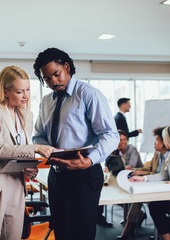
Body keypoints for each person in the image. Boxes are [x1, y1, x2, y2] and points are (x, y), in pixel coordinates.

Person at [32, 48, 119, 240]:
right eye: (46, 79)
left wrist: (89, 161)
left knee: (81, 235)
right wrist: (45, 148)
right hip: (56, 176)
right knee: (61, 233)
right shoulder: (46, 102)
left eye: (56, 74)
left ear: (67, 67)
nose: (53, 82)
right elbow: (38, 136)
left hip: (84, 175)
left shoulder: (89, 95)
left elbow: (111, 135)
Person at [0, 66, 55, 240]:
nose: (26, 96)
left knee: (13, 236)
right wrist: (35, 148)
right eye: (19, 91)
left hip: (16, 182)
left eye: (28, 90)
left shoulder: (26, 114)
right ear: (6, 91)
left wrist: (30, 167)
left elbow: (22, 148)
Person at [116, 127, 170, 240]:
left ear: (164, 142)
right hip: (152, 187)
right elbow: (147, 168)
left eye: (156, 141)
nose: (154, 143)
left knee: (152, 205)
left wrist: (144, 174)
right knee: (137, 198)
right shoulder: (157, 155)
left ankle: (160, 233)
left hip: (165, 190)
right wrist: (137, 171)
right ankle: (126, 233)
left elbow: (164, 176)